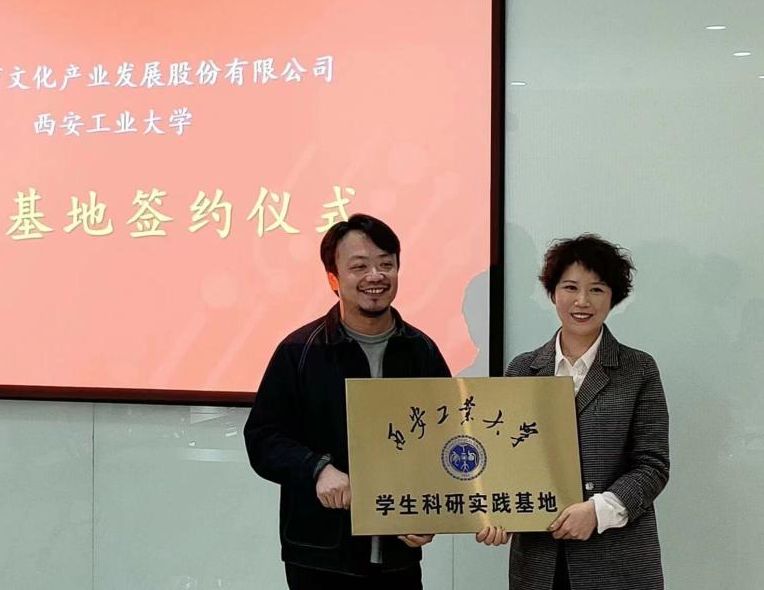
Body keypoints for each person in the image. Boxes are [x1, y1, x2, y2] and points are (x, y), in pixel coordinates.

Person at [244, 214, 452, 590]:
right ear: (333, 279)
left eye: (386, 264)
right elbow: (263, 438)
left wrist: (431, 511)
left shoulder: (421, 351)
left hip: (398, 558)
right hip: (319, 556)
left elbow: (447, 437)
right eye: (359, 266)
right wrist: (317, 469)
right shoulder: (299, 351)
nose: (375, 276)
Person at [477, 234, 669, 590]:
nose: (582, 301)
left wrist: (597, 511)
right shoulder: (522, 369)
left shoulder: (638, 369)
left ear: (613, 297)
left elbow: (652, 465)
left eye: (596, 289)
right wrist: (495, 513)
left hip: (617, 562)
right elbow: (505, 462)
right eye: (570, 287)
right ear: (553, 293)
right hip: (539, 564)